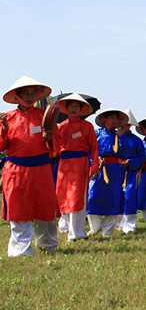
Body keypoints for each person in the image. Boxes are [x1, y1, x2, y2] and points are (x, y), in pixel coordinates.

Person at [0, 76, 59, 256]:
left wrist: (49, 138)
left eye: (33, 93)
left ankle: (47, 244)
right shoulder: (7, 118)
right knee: (19, 209)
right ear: (16, 96)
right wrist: (2, 129)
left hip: (41, 168)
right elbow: (1, 146)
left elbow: (56, 145)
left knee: (45, 207)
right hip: (16, 170)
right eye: (25, 92)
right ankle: (21, 249)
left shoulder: (44, 116)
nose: (29, 96)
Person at [53, 93, 99, 241]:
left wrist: (95, 165)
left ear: (81, 109)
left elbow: (94, 148)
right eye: (71, 106)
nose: (73, 108)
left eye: (76, 106)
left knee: (77, 197)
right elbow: (53, 148)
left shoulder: (87, 126)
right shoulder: (59, 127)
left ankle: (77, 233)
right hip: (63, 166)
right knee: (63, 196)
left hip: (80, 165)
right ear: (66, 109)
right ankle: (64, 226)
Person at [87, 107, 129, 238]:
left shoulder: (120, 137)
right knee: (93, 196)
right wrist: (93, 162)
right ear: (104, 119)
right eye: (111, 118)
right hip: (98, 167)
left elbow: (125, 153)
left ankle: (107, 230)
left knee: (113, 197)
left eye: (116, 118)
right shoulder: (96, 133)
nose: (114, 121)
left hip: (115, 169)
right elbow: (88, 149)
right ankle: (95, 227)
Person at [117, 110, 145, 234]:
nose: (123, 125)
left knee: (129, 196)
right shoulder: (114, 137)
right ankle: (116, 223)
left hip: (131, 172)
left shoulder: (137, 140)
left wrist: (131, 162)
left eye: (126, 123)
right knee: (116, 196)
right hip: (115, 170)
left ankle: (129, 224)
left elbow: (142, 158)